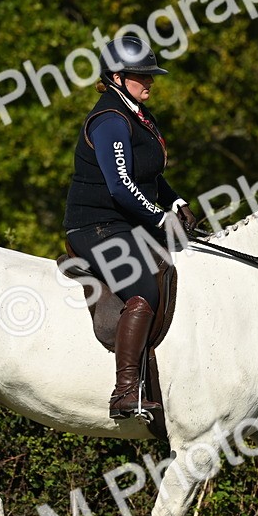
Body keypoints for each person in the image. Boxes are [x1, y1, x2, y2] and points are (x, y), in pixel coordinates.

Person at [63, 35, 202, 420]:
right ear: (116, 78)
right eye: (142, 75)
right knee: (144, 289)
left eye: (150, 74)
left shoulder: (138, 113)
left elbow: (148, 173)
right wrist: (160, 217)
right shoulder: (110, 120)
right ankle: (125, 391)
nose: (150, 80)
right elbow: (121, 187)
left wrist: (176, 201)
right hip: (95, 227)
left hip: (127, 221)